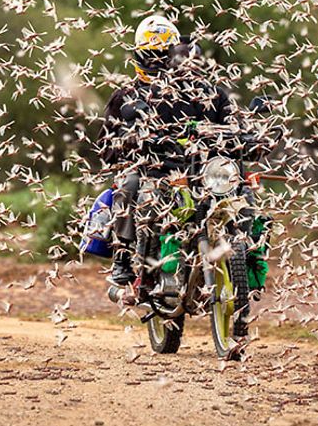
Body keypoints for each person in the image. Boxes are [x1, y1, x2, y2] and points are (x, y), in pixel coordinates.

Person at [97, 15, 234, 287]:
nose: (156, 62)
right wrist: (127, 140)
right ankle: (122, 259)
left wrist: (252, 134)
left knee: (243, 193)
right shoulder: (126, 95)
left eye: (163, 55)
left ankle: (242, 263)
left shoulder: (204, 91)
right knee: (129, 182)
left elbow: (232, 124)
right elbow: (104, 146)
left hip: (200, 171)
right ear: (138, 55)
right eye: (150, 55)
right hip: (151, 170)